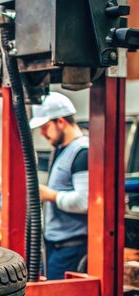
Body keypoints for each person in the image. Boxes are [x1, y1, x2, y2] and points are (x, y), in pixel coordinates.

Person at [30, 92, 88, 280]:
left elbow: (84, 201)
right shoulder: (64, 150)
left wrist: (49, 195)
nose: (42, 133)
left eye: (46, 127)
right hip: (56, 245)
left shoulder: (82, 152)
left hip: (70, 248)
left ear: (61, 122)